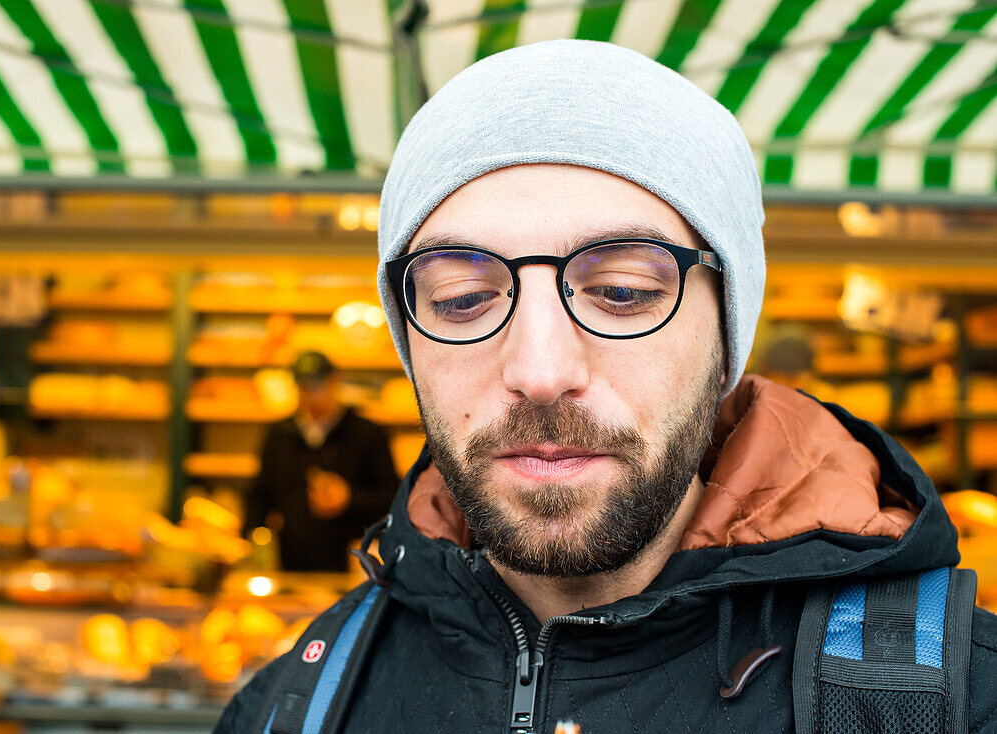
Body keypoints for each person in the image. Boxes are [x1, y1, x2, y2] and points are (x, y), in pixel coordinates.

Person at [217, 41, 997, 732]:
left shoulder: (948, 701)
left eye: (622, 291)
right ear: (410, 341)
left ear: (727, 337)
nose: (541, 372)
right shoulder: (300, 704)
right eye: (462, 299)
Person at [242, 351, 397, 571]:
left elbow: (391, 497)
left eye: (317, 385)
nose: (311, 394)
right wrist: (251, 546)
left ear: (334, 381)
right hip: (289, 563)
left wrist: (349, 498)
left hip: (353, 563)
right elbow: (259, 495)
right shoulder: (279, 434)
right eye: (304, 387)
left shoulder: (368, 434)